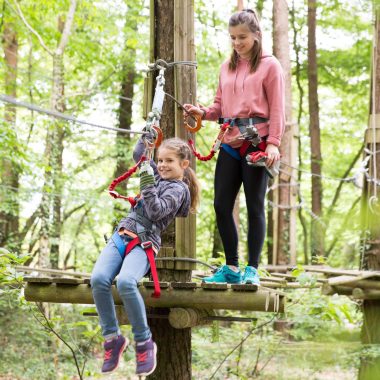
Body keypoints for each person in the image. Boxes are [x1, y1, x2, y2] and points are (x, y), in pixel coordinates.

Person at [184, 9, 285, 286]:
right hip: (229, 142)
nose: (237, 43)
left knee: (255, 206)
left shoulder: (270, 65)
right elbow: (219, 106)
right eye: (233, 38)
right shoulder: (226, 67)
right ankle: (231, 267)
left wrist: (274, 143)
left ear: (256, 35)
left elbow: (277, 108)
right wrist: (202, 112)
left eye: (242, 37)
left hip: (257, 142)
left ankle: (252, 270)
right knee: (220, 205)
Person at [91, 136, 200, 376]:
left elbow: (155, 209)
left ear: (184, 164)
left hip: (145, 241)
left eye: (168, 160)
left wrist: (147, 183)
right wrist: (146, 137)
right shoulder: (157, 175)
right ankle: (112, 338)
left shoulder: (179, 190)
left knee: (126, 282)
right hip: (122, 234)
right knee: (98, 279)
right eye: (160, 160)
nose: (161, 165)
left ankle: (144, 342)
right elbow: (140, 155)